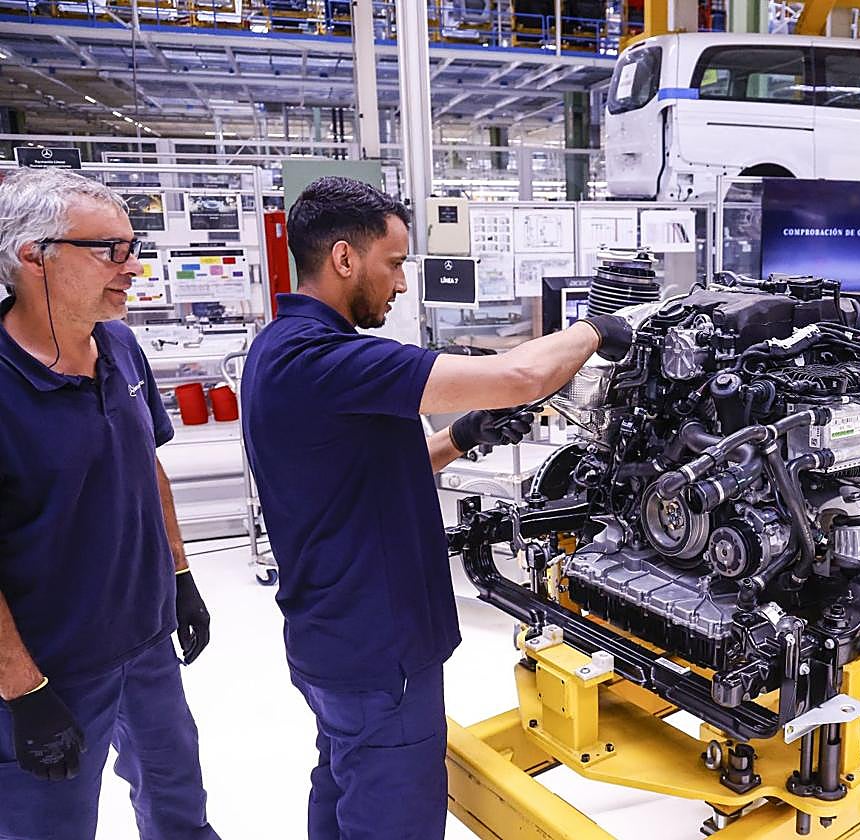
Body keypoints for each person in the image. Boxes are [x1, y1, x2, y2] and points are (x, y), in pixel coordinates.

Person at [240, 176, 633, 840]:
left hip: (334, 640)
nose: (398, 284)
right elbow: (521, 376)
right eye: (393, 263)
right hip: (379, 652)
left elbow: (362, 474)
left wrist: (463, 436)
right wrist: (597, 327)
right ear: (343, 259)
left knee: (341, 782)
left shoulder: (277, 350)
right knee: (395, 817)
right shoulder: (327, 359)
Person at [0, 170, 218, 839]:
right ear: (32, 254)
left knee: (178, 802)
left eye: (133, 246)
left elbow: (143, 462)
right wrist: (22, 689)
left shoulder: (119, 345)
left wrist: (180, 578)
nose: (133, 266)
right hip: (50, 668)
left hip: (145, 638)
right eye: (109, 250)